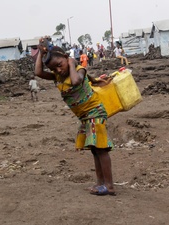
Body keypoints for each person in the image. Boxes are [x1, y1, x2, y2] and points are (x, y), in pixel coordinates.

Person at [34, 37, 115, 196]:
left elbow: (77, 81)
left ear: (66, 58)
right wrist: (40, 53)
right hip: (85, 116)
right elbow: (37, 72)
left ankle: (109, 186)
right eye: (54, 69)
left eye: (60, 65)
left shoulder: (79, 69)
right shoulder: (58, 77)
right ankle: (100, 183)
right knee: (94, 149)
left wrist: (71, 63)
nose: (58, 70)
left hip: (94, 112)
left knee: (101, 149)